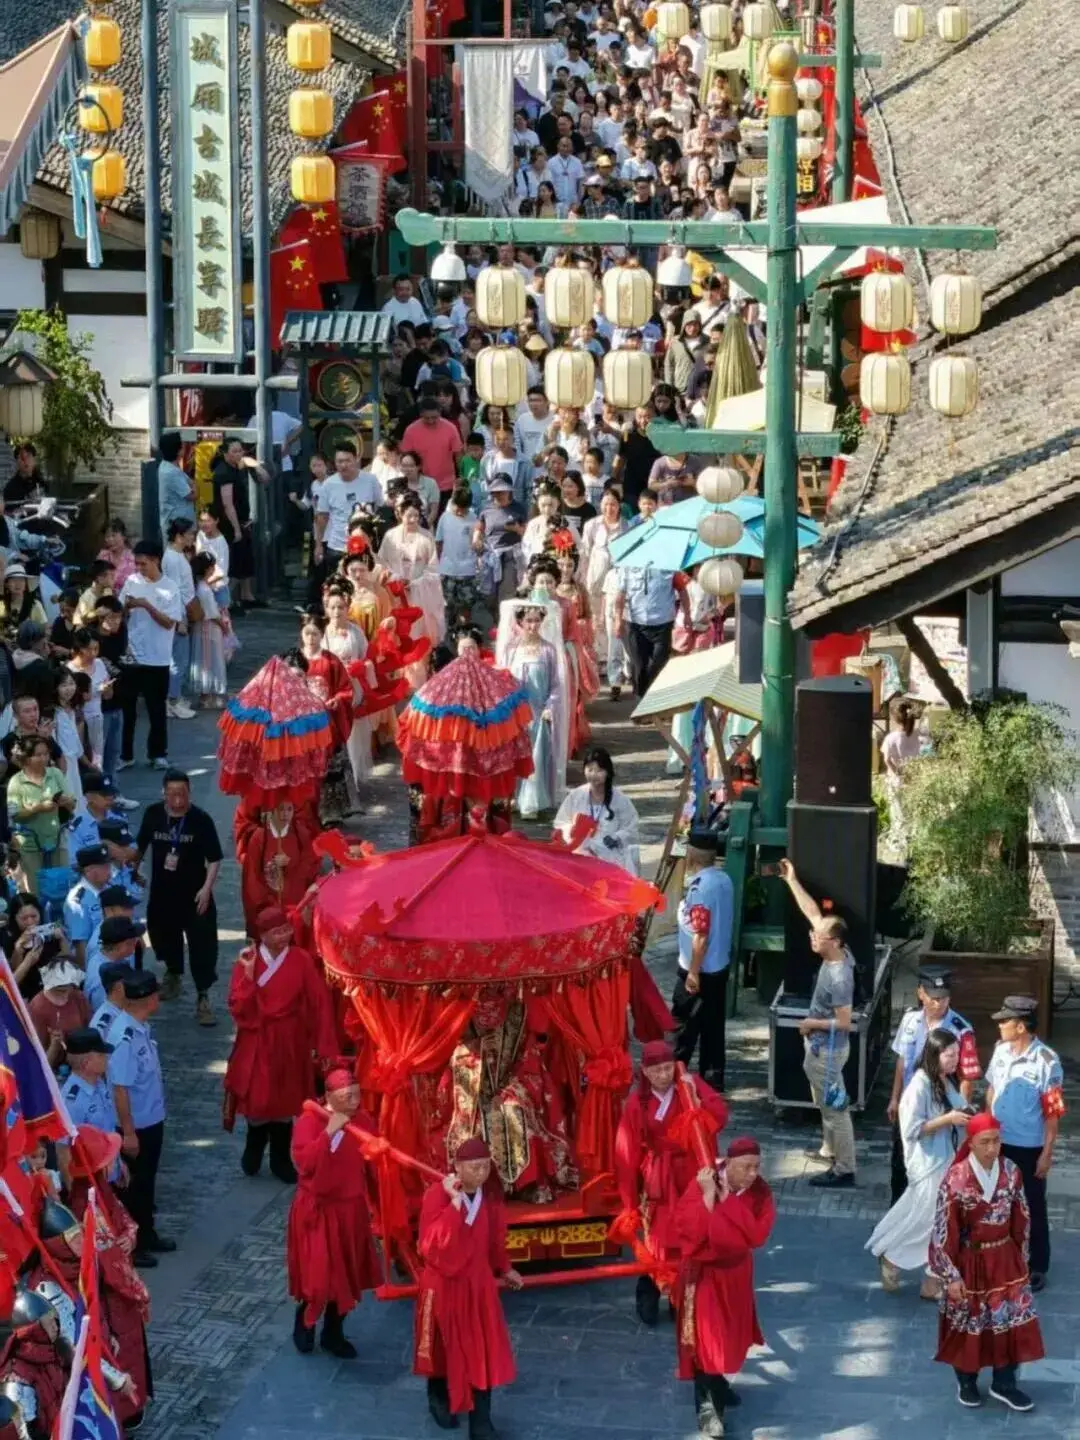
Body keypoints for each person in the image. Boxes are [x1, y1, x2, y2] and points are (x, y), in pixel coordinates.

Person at [928, 1112, 1044, 1412]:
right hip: (971, 1260)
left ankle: (1005, 1382)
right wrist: (951, 1275)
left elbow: (1023, 1216)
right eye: (985, 1142)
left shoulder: (1012, 1171)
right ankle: (966, 1380)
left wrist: (1022, 1257)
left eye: (996, 1141)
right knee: (970, 1320)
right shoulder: (956, 1178)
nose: (993, 1148)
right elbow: (943, 1229)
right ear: (972, 1143)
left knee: (1009, 1320)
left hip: (1005, 1257)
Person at [413, 1137, 522, 1438]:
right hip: (444, 1285)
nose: (480, 1172)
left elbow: (493, 1240)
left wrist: (506, 1267)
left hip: (478, 1285)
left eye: (485, 1166)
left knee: (482, 1351)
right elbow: (430, 1245)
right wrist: (455, 1204)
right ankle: (438, 1399)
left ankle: (481, 1422)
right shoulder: (437, 1195)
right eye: (473, 1167)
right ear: (457, 1167)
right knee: (442, 1350)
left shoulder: (489, 1196)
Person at [615, 1040, 729, 1327]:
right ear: (645, 1072)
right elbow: (626, 1153)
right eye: (656, 1071)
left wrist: (698, 1096)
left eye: (668, 1068)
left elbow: (720, 1115)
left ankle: (683, 1298)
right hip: (660, 1176)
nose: (664, 1075)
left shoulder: (689, 1087)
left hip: (691, 1172)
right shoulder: (635, 1102)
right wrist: (629, 1203)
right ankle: (650, 1288)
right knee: (658, 1237)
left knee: (691, 1235)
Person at [225, 905, 337, 1182]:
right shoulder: (248, 961)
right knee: (260, 1098)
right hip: (258, 1037)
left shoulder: (300, 959)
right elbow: (238, 1007)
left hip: (290, 1038)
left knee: (287, 1097)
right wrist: (249, 977)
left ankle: (280, 1157)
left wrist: (324, 1045)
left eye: (286, 929)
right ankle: (254, 1145)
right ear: (262, 935)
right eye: (277, 932)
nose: (284, 936)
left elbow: (318, 1002)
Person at [674, 1137, 776, 1438]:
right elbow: (688, 1231)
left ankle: (718, 1383)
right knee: (707, 1342)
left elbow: (756, 1235)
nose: (753, 1174)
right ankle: (708, 1409)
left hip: (736, 1275)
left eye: (757, 1167)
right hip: (705, 1275)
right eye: (746, 1167)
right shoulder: (703, 1182)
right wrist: (708, 1199)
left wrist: (726, 1204)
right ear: (727, 1164)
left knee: (732, 1337)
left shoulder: (759, 1192)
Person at [867, 1027, 972, 1298]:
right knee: (927, 1222)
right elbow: (913, 1128)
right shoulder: (919, 1086)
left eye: (957, 1055)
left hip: (945, 1161)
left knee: (940, 1223)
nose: (954, 1060)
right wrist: (948, 1119)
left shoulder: (944, 1081)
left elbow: (960, 1107)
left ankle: (931, 1280)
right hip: (928, 1165)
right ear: (934, 1054)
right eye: (949, 1055)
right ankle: (893, 1257)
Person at [287, 1064, 381, 1358]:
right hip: (318, 1210)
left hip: (350, 1209)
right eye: (347, 1095)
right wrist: (329, 1132)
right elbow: (305, 1163)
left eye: (357, 1094)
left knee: (347, 1275)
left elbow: (373, 1165)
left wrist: (379, 1205)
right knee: (319, 1276)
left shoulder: (363, 1120)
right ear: (330, 1096)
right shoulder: (310, 1122)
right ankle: (305, 1323)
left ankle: (333, 1331)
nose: (354, 1100)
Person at [778, 857, 857, 1190]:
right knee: (824, 1102)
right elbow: (813, 912)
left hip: (829, 1054)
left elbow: (845, 1022)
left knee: (837, 1110)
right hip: (819, 1051)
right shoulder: (837, 947)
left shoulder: (839, 978)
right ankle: (828, 1148)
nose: (813, 936)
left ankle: (844, 1168)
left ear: (834, 943)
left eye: (819, 936)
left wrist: (811, 1021)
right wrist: (792, 880)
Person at [985, 995, 1063, 1291]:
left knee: (1032, 1204)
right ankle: (1001, 1256)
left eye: (1005, 1021)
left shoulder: (1046, 1061)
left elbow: (1053, 1112)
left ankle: (1038, 1265)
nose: (1000, 1025)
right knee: (996, 1201)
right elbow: (991, 1089)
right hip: (999, 1142)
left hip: (1029, 1147)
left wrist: (1047, 1153)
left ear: (1021, 1027)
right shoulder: (1000, 1050)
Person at [134, 768, 223, 1025]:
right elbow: (140, 846)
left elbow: (215, 858)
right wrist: (134, 870)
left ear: (189, 793)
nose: (177, 798)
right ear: (163, 793)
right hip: (162, 893)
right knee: (162, 937)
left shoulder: (200, 820)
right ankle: (173, 975)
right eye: (172, 793)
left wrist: (207, 889)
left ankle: (203, 996)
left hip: (195, 895)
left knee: (203, 945)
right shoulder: (153, 814)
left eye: (182, 793)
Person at [886, 966, 981, 1205]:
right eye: (934, 998)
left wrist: (959, 1111)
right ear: (921, 993)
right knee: (899, 1164)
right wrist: (895, 1098)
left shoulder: (961, 1029)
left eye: (944, 998)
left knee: (932, 1166)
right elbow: (902, 1061)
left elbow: (967, 1077)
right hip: (910, 1103)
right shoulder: (910, 1020)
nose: (939, 1004)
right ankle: (898, 1215)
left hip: (940, 1107)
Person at [107, 968, 174, 1268]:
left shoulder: (138, 1027)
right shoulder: (124, 1036)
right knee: (135, 1187)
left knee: (147, 1184)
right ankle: (132, 1245)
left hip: (151, 1118)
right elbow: (119, 1089)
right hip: (137, 1126)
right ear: (148, 999)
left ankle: (147, 1234)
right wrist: (129, 1133)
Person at [495, 600, 569, 819]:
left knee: (536, 756)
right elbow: (502, 678)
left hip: (538, 712)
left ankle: (533, 801)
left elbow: (556, 683)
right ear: (520, 622)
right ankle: (514, 797)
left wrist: (550, 706)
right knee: (514, 755)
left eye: (537, 621)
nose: (532, 626)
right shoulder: (511, 649)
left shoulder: (548, 650)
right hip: (516, 712)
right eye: (528, 621)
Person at [674, 830, 734, 1092]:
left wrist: (693, 972)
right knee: (713, 1023)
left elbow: (701, 933)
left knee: (683, 1023)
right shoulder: (723, 880)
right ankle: (713, 1074)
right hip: (719, 964)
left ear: (693, 854)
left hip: (699, 967)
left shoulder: (700, 888)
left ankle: (676, 1071)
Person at [118, 539, 183, 770]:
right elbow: (119, 612)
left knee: (156, 709)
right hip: (133, 656)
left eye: (143, 563)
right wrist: (127, 607)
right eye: (137, 563)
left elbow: (169, 623)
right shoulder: (131, 582)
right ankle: (125, 755)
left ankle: (157, 753)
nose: (139, 568)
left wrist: (147, 605)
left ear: (156, 561)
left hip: (158, 658)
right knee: (127, 709)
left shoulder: (170, 588)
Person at [235, 796, 319, 938]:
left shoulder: (301, 834)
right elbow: (252, 880)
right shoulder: (259, 837)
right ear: (272, 810)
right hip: (268, 908)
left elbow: (310, 867)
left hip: (295, 908)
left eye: (289, 809)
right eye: (280, 809)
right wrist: (268, 906)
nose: (285, 814)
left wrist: (291, 863)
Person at [554, 745, 640, 873]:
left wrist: (617, 837)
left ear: (608, 772)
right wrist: (570, 830)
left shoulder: (620, 799)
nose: (594, 775)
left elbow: (631, 826)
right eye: (590, 769)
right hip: (580, 852)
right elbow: (560, 822)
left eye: (599, 771)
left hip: (609, 855)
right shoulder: (576, 795)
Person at [611, 559, 689, 699]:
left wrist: (687, 615)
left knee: (658, 663)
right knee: (640, 664)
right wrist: (617, 620)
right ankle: (641, 701)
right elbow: (620, 594)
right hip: (635, 623)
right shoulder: (628, 565)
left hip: (662, 623)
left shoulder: (669, 564)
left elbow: (682, 590)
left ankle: (650, 697)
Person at [6, 735, 74, 891]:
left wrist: (66, 802)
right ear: (26, 758)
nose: (44, 758)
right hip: (30, 844)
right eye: (38, 755)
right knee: (34, 891)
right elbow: (15, 815)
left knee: (61, 887)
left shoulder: (55, 774)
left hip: (57, 839)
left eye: (46, 754)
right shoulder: (16, 782)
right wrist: (38, 808)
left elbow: (73, 804)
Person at [211, 438, 268, 609]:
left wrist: (255, 464)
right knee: (235, 562)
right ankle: (225, 602)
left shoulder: (240, 466)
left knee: (246, 560)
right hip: (229, 523)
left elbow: (265, 478)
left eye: (240, 450)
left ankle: (247, 595)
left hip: (243, 520)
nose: (238, 454)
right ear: (226, 453)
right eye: (234, 451)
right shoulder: (223, 472)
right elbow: (228, 504)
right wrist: (236, 528)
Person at [313, 443, 383, 575]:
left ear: (356, 459)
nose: (343, 465)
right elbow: (322, 517)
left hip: (365, 546)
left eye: (347, 460)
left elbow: (380, 507)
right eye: (339, 461)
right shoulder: (328, 485)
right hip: (337, 547)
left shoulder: (370, 480)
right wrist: (318, 545)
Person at [162, 518, 198, 721]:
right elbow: (174, 591)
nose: (193, 537)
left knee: (178, 659)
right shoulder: (173, 559)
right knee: (178, 660)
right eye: (190, 534)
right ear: (179, 536)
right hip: (179, 613)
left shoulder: (176, 555)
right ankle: (172, 700)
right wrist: (180, 620)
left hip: (181, 611)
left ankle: (174, 697)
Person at [400, 397, 465, 502]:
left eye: (434, 417)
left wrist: (461, 476)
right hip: (420, 485)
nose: (431, 421)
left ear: (440, 412)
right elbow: (406, 457)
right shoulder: (411, 431)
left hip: (446, 485)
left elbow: (458, 455)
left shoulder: (450, 428)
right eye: (427, 418)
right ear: (420, 414)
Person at [28, 959, 90, 1069]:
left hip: (80, 1064)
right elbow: (38, 1064)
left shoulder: (78, 997)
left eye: (68, 989)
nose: (65, 995)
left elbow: (88, 1031)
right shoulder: (38, 1008)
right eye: (59, 991)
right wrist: (54, 1046)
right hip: (54, 1070)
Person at [62, 842, 114, 966]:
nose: (109, 871)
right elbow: (81, 948)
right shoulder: (77, 902)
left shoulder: (108, 889)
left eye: (109, 865)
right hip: (95, 964)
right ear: (88, 870)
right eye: (104, 867)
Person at [187, 551, 228, 706]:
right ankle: (207, 694)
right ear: (208, 569)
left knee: (204, 659)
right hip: (209, 627)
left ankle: (207, 693)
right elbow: (212, 613)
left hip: (203, 627)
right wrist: (224, 626)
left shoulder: (200, 586)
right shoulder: (204, 589)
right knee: (209, 659)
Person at [157, 432, 196, 540]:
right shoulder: (171, 472)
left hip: (175, 521)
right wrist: (195, 486)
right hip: (179, 525)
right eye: (182, 446)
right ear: (178, 450)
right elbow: (192, 496)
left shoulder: (166, 465)